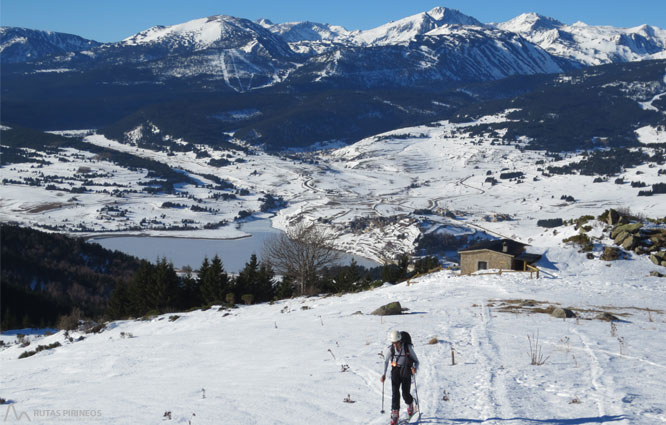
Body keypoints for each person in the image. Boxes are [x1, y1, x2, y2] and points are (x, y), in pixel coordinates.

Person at [380, 330, 419, 425]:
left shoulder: (407, 348)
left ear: (400, 341)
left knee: (405, 393)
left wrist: (414, 368)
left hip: (406, 370)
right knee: (395, 393)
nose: (394, 345)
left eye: (396, 343)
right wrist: (383, 374)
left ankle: (410, 404)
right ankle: (395, 414)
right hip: (395, 371)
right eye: (393, 343)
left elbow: (416, 361)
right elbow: (385, 361)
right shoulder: (390, 349)